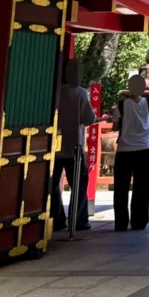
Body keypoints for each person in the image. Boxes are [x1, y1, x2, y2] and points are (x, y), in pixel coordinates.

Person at [50, 60, 96, 232]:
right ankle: (78, 220)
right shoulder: (81, 93)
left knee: (52, 185)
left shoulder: (54, 93)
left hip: (54, 146)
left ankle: (56, 219)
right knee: (79, 184)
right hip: (75, 145)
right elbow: (88, 119)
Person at [112, 73, 149, 231]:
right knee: (142, 186)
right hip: (144, 147)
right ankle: (139, 221)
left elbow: (115, 127)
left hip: (124, 148)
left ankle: (121, 222)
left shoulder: (121, 105)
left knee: (121, 187)